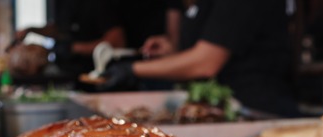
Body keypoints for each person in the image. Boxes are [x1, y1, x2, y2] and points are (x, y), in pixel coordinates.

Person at [103, 0, 299, 117]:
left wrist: (132, 70)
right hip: (224, 110)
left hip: (260, 112)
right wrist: (172, 51)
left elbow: (206, 63)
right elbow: (206, 48)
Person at [14, 0, 126, 75]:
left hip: (98, 74)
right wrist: (32, 30)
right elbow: (59, 29)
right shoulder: (64, 4)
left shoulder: (98, 4)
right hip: (68, 73)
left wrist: (74, 48)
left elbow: (116, 42)